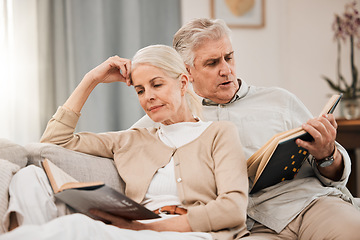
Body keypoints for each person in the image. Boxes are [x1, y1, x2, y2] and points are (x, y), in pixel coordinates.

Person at [132, 18, 360, 239]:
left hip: (310, 204)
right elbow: (108, 149)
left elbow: (336, 177)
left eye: (229, 58)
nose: (226, 70)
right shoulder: (167, 117)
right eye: (212, 63)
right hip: (250, 225)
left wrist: (327, 155)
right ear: (187, 72)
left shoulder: (279, 100)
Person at [0, 45, 249, 240]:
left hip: (191, 234)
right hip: (132, 230)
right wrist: (92, 79)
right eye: (140, 90)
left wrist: (142, 228)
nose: (148, 96)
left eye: (157, 84)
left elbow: (233, 208)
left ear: (183, 83)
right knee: (29, 177)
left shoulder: (219, 133)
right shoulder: (132, 139)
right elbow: (54, 141)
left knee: (77, 228)